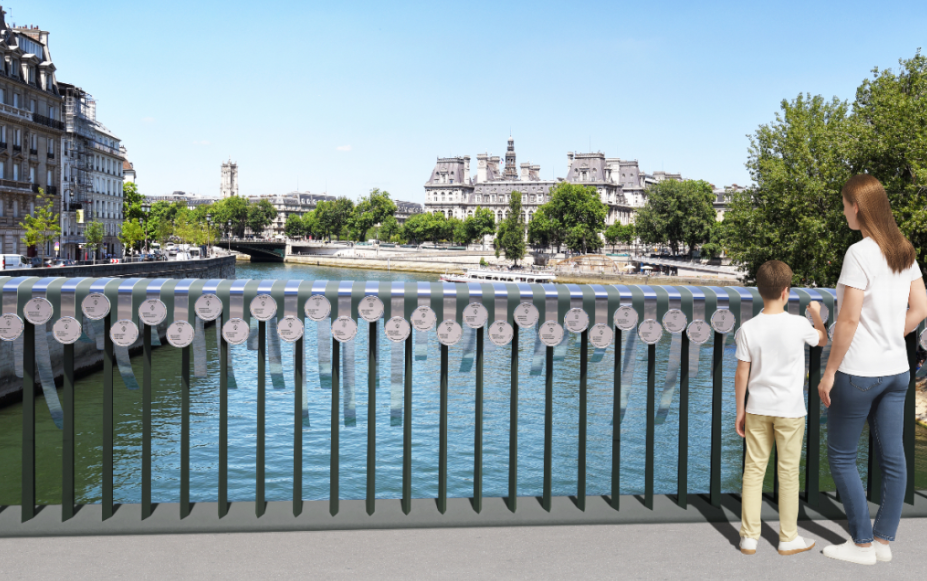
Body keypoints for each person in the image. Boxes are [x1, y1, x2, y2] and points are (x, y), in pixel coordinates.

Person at [816, 175, 927, 564]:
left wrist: (829, 372)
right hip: (897, 370)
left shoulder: (859, 253)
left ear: (857, 207)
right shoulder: (903, 251)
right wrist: (891, 333)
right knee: (894, 457)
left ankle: (861, 544)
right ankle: (883, 542)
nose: (843, 210)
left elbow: (846, 321)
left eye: (845, 204)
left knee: (842, 456)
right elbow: (922, 308)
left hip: (859, 372)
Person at [735, 260, 828, 556]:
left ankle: (749, 537)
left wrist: (740, 411)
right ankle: (788, 539)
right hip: (790, 410)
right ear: (787, 291)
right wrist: (815, 314)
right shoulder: (799, 324)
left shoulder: (748, 328)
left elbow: (741, 374)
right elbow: (822, 340)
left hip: (757, 408)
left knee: (753, 472)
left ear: (760, 292)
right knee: (788, 473)